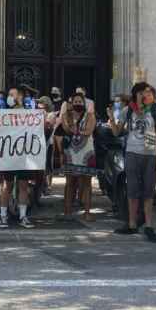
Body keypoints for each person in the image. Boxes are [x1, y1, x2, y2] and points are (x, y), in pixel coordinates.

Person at [110, 82, 156, 243]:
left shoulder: (154, 111)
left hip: (150, 154)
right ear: (136, 95)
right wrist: (112, 118)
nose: (145, 95)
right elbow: (117, 132)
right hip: (132, 153)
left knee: (148, 192)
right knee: (132, 191)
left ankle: (148, 225)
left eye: (147, 93)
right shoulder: (128, 111)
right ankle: (132, 223)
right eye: (142, 93)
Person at [58, 93, 97, 222]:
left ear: (84, 103)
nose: (78, 104)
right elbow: (65, 129)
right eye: (75, 101)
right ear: (71, 103)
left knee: (86, 183)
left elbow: (89, 130)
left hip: (86, 152)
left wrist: (77, 131)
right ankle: (67, 211)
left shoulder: (90, 116)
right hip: (71, 152)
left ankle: (87, 212)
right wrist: (70, 125)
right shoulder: (66, 116)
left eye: (80, 101)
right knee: (70, 183)